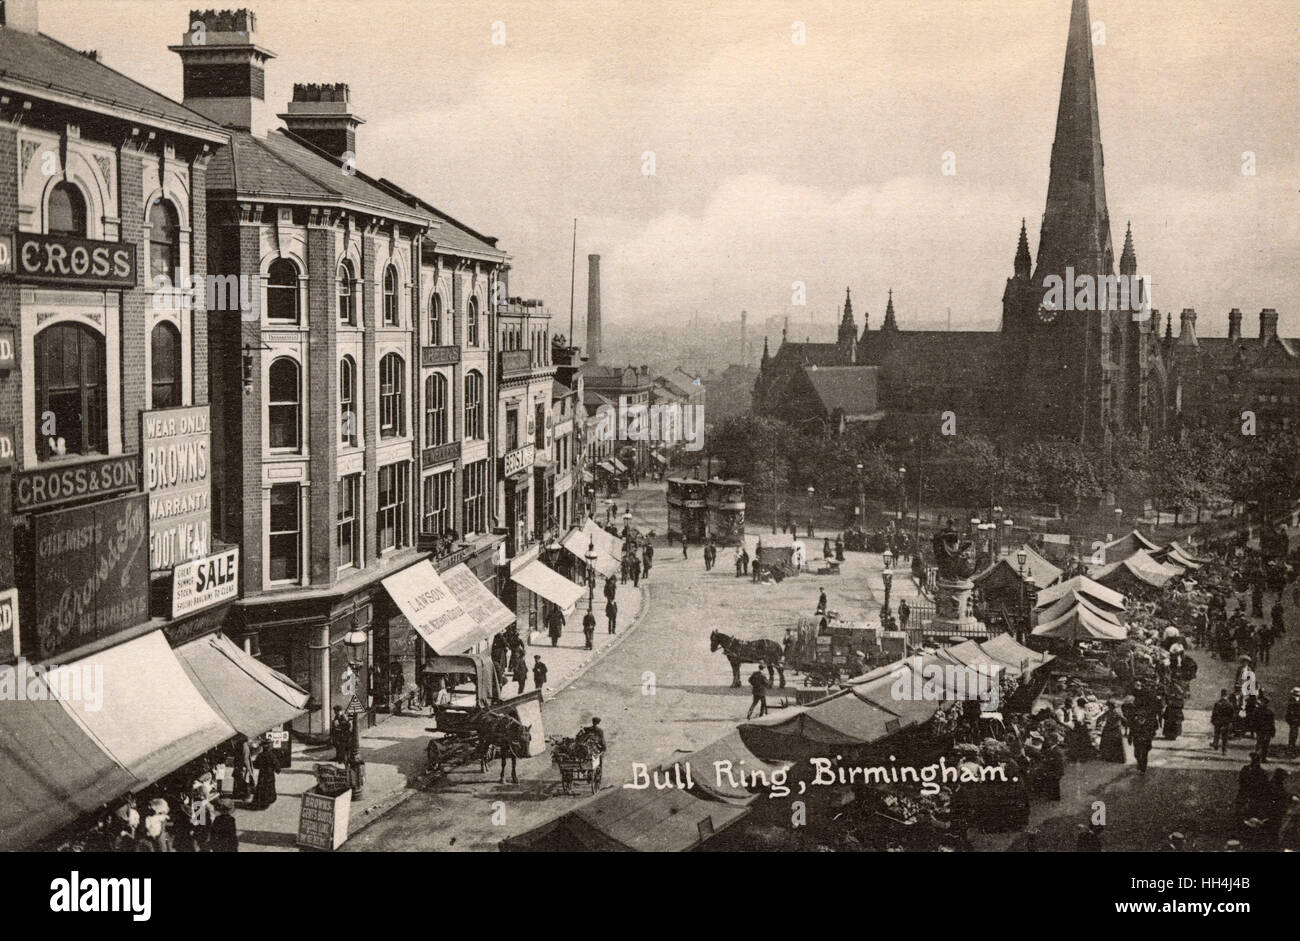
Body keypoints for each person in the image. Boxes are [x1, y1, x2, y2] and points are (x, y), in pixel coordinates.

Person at [1236, 752, 1268, 822]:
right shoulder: (1262, 772)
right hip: (1254, 795)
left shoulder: (1246, 769)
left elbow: (1241, 781)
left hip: (1247, 793)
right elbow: (1265, 784)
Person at [252, 743, 280, 809]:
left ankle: (260, 802)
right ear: (269, 748)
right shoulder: (272, 755)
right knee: (269, 787)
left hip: (262, 774)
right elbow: (276, 765)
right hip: (270, 774)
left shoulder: (260, 755)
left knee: (261, 787)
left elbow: (256, 765)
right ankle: (267, 802)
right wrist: (277, 770)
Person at [1212, 689, 1235, 754]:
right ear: (1226, 695)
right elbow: (1232, 714)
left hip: (1218, 722)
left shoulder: (1217, 703)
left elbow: (1214, 713)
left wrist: (1213, 721)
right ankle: (1224, 750)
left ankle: (1215, 745)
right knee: (1225, 736)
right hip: (1226, 722)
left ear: (1221, 695)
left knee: (1217, 734)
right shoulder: (1229, 704)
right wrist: (1230, 722)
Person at [1255, 695, 1276, 761]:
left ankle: (1262, 757)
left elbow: (1272, 722)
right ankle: (1260, 757)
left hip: (1265, 729)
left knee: (1264, 743)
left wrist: (1273, 731)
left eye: (1264, 702)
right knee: (1262, 743)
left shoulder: (1262, 711)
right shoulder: (1268, 711)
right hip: (1263, 729)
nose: (1262, 703)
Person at [1286, 687, 1300, 757]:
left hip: (1298, 718)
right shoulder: (1291, 700)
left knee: (1294, 733)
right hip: (1294, 719)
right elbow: (1289, 712)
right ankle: (1291, 747)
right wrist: (1291, 720)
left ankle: (1292, 747)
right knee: (1293, 733)